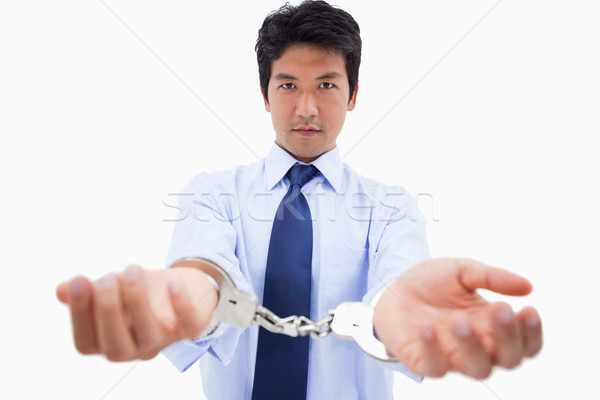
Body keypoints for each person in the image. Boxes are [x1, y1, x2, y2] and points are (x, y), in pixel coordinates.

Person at [56, 1, 543, 399]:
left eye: (326, 85)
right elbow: (205, 264)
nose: (306, 108)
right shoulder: (213, 192)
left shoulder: (390, 206)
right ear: (265, 94)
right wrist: (192, 297)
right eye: (288, 85)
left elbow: (401, 280)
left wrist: (402, 315)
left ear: (353, 95)